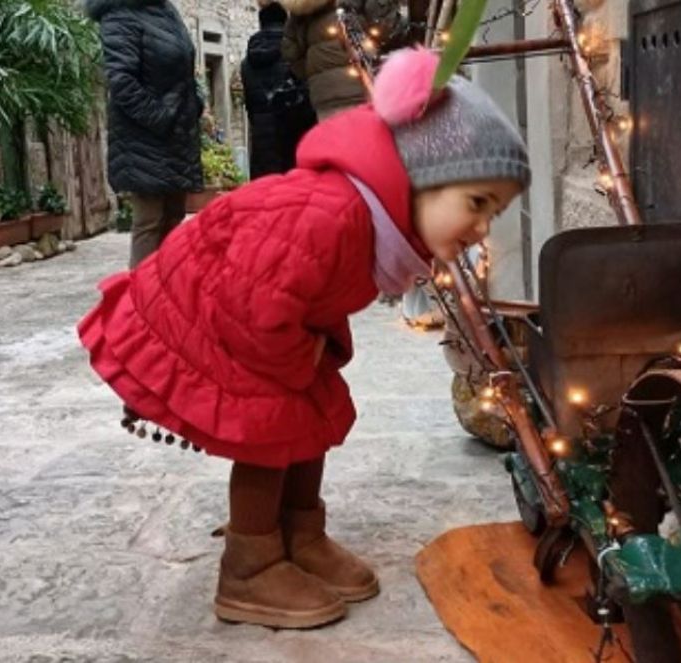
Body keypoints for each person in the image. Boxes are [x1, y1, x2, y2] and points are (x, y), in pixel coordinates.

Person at [78, 49, 530, 628]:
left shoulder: (370, 227)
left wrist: (319, 351)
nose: (483, 227)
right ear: (421, 178)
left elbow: (310, 293)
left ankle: (299, 531)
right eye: (476, 203)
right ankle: (249, 564)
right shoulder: (333, 214)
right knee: (271, 425)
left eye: (493, 211)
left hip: (254, 314)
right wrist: (300, 360)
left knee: (312, 410)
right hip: (211, 310)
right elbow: (257, 298)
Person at [87, 0, 203, 268]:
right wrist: (160, 117)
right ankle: (139, 302)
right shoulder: (119, 15)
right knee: (149, 222)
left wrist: (194, 103)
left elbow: (183, 68)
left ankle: (169, 295)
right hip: (143, 139)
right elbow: (121, 82)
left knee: (173, 218)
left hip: (176, 137)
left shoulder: (166, 11)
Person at [282, 0, 409, 120]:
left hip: (324, 97)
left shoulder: (302, 7)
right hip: (367, 88)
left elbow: (291, 52)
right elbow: (389, 29)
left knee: (338, 141)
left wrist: (316, 76)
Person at [241, 1, 317, 178]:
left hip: (261, 139)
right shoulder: (294, 55)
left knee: (266, 193)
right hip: (293, 137)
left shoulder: (248, 63)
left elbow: (250, 104)